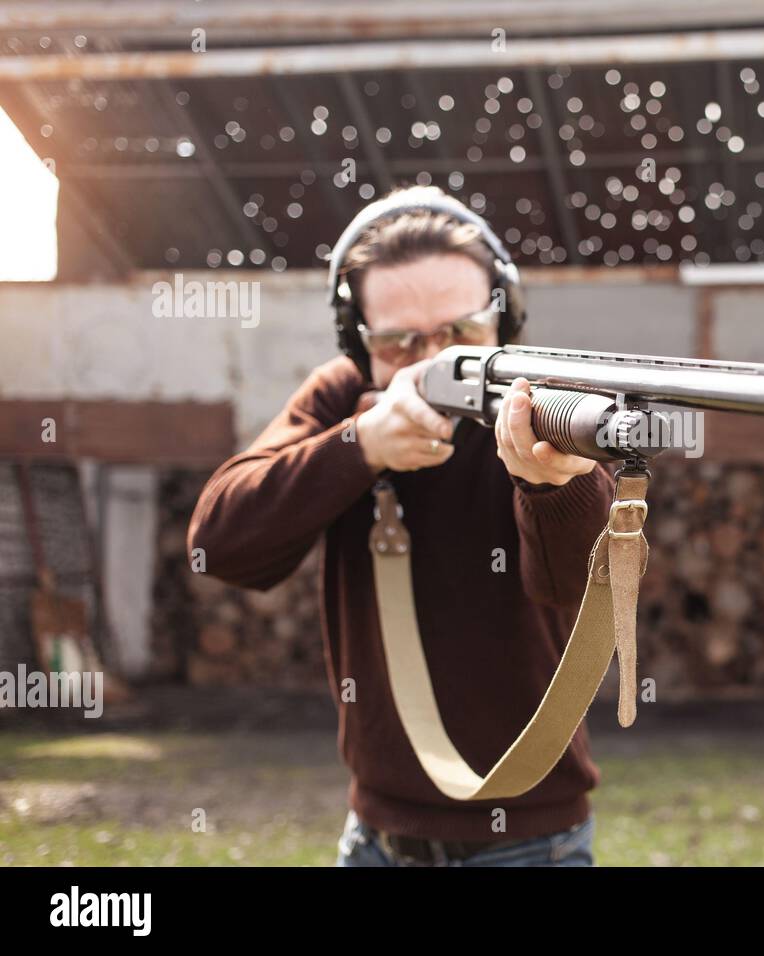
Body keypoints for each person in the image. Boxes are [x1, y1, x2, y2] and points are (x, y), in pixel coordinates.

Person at [187, 186, 614, 866]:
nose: (431, 360)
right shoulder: (340, 397)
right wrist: (359, 447)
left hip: (532, 838)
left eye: (461, 332)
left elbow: (575, 590)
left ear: (505, 319)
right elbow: (220, 546)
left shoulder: (540, 401)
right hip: (377, 837)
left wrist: (553, 482)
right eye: (398, 342)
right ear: (357, 343)